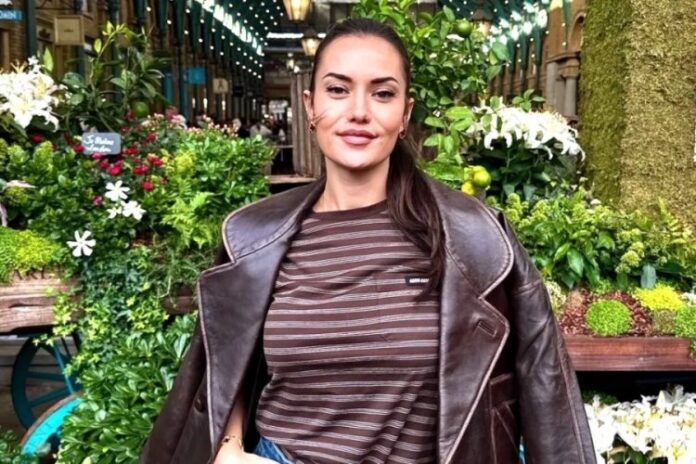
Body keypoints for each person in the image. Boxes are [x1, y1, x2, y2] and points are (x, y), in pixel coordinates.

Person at [140, 18, 596, 464]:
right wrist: (229, 449)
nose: (359, 111)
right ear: (310, 106)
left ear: (405, 114)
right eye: (338, 90)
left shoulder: (472, 237)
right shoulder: (256, 237)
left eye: (382, 93)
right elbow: (226, 364)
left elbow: (545, 382)